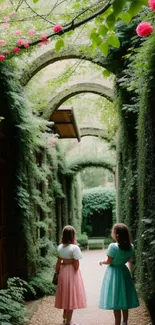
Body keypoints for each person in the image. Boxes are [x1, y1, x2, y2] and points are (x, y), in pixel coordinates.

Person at [99, 223, 139, 325]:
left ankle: (117, 323)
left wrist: (101, 262)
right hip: (124, 272)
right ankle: (125, 321)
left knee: (115, 300)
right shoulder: (131, 247)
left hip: (113, 273)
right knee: (124, 298)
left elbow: (109, 261)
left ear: (116, 235)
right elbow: (130, 261)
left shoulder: (113, 247)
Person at [55, 225, 87, 325]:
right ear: (73, 235)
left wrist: (57, 273)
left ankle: (64, 317)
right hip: (72, 272)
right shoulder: (75, 248)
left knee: (65, 294)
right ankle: (69, 321)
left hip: (63, 271)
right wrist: (73, 266)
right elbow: (76, 264)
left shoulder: (60, 247)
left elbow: (58, 262)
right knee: (71, 296)